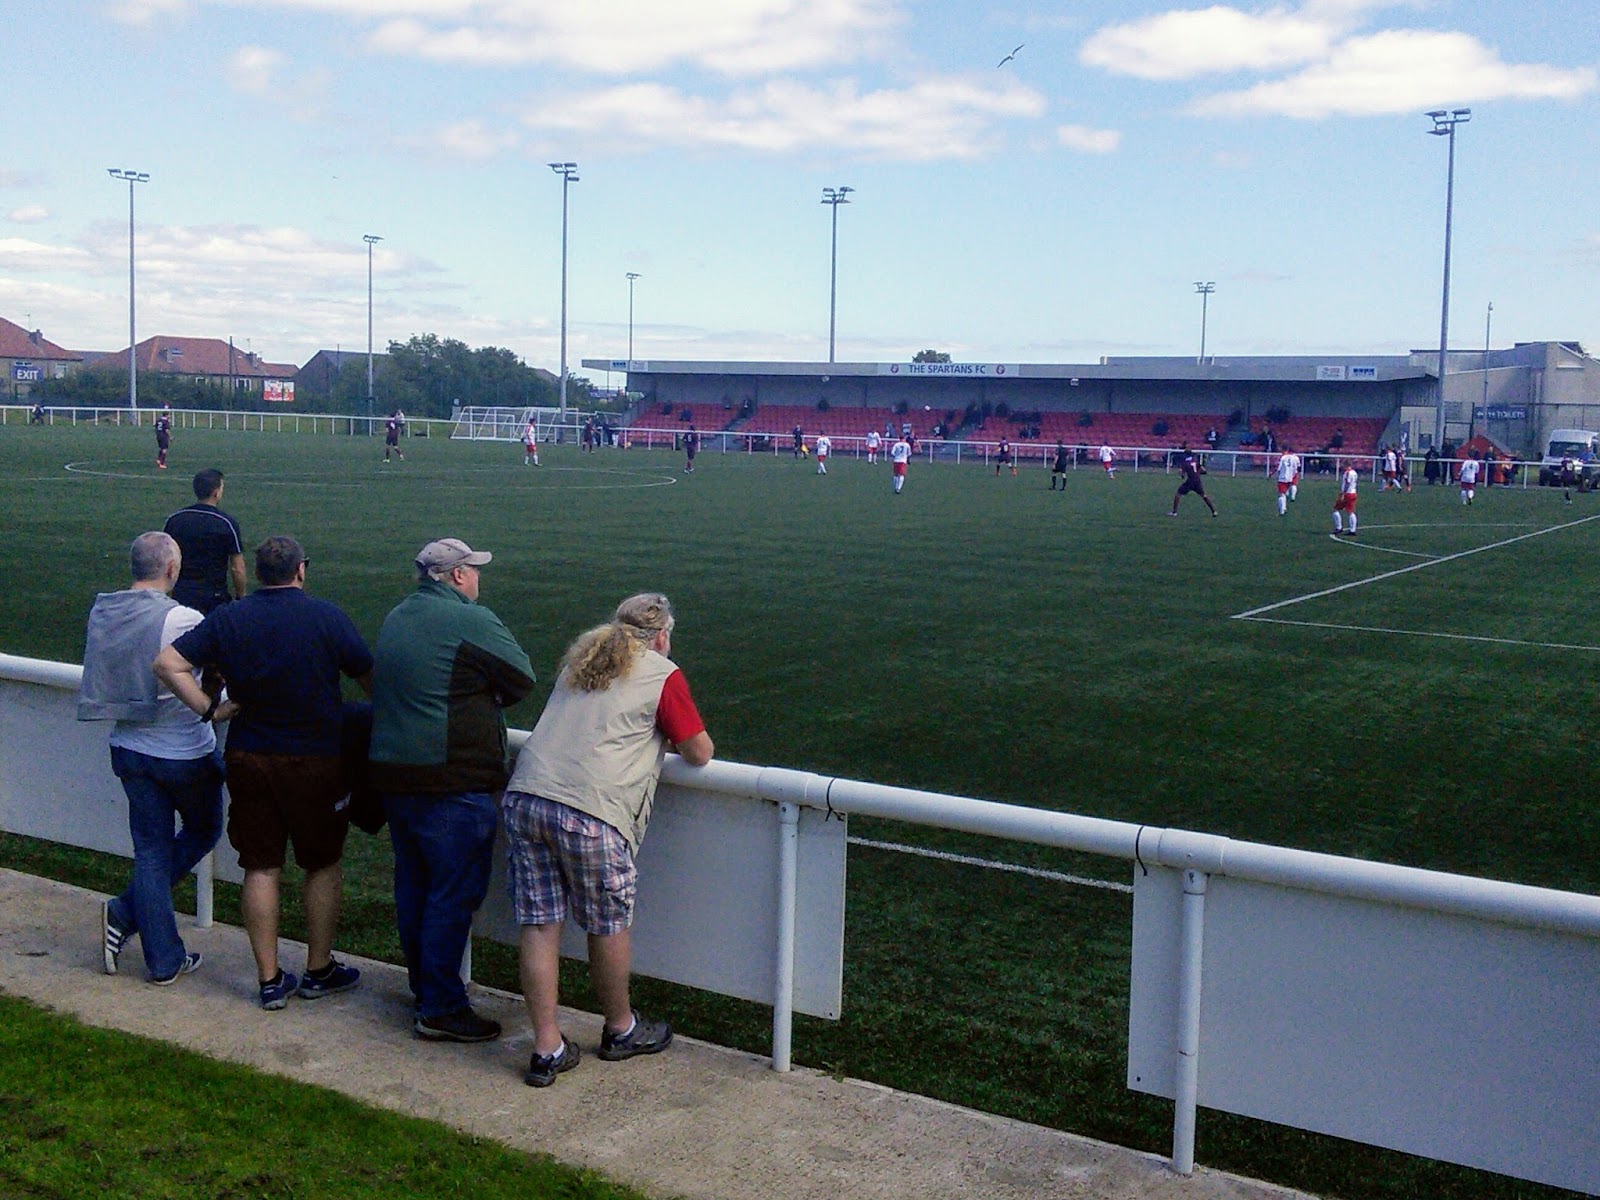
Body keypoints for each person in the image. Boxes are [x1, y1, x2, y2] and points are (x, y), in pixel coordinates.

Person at [501, 593, 713, 1087]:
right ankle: (621, 1028)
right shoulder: (663, 674)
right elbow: (699, 751)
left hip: (527, 798)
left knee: (539, 924)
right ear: (662, 637)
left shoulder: (580, 661)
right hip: (591, 811)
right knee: (608, 923)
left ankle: (547, 1048)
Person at [154, 535, 373, 1010]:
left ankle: (269, 979)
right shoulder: (326, 616)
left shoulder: (231, 617)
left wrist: (210, 709)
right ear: (301, 570)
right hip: (316, 759)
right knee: (321, 863)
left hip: (251, 755)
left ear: (257, 574)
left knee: (260, 865)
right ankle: (319, 969)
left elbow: (168, 663)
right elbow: (371, 678)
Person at [369, 538, 536, 1043]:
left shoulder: (398, 615)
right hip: (451, 781)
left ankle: (426, 990)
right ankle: (441, 1005)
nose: (479, 578)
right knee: (451, 893)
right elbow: (522, 678)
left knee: (415, 888)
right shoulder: (468, 619)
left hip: (397, 780)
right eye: (475, 570)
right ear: (458, 575)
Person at [78, 532, 229, 985]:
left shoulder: (104, 611)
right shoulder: (183, 619)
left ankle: (161, 955)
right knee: (203, 829)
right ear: (171, 569)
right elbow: (210, 672)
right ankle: (128, 915)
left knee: (150, 851)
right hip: (183, 752)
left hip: (129, 749)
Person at [163, 468, 246, 615]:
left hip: (182, 593)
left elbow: (165, 559)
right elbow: (237, 568)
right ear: (216, 492)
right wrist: (241, 596)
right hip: (214, 596)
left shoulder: (175, 520)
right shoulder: (226, 523)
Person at [1169, 448, 1217, 518]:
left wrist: (1182, 476)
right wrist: (1197, 473)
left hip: (1190, 481)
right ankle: (1214, 511)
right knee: (1204, 496)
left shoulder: (1185, 462)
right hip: (1197, 481)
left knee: (1178, 494)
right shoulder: (1195, 461)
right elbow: (1204, 471)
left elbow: (1182, 473)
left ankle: (1174, 512)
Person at [1333, 462, 1359, 536]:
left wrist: (1343, 494)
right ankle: (1352, 530)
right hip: (1353, 493)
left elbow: (1347, 483)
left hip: (1348, 494)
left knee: (1335, 509)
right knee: (1351, 511)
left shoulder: (1347, 473)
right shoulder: (1354, 473)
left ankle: (1339, 527)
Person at [1274, 448, 1300, 516]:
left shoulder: (1283, 458)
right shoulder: (1294, 458)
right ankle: (1288, 502)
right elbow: (1297, 468)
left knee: (1281, 494)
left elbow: (1278, 468)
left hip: (1282, 478)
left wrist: (1273, 474)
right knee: (1290, 488)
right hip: (1290, 477)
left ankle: (1282, 511)